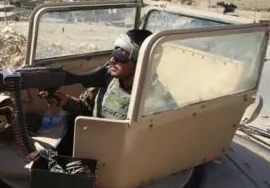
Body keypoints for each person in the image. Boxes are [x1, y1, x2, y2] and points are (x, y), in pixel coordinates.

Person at [40, 28, 172, 120]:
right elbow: (87, 107)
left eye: (120, 56)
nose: (112, 60)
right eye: (114, 52)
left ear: (142, 63)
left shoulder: (158, 100)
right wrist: (65, 101)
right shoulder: (109, 79)